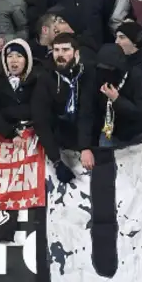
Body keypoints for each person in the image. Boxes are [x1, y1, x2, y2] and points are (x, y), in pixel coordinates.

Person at [33, 33, 94, 183]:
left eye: (65, 50)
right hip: (59, 139)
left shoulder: (87, 73)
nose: (60, 55)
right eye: (56, 50)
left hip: (87, 137)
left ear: (76, 53)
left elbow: (87, 112)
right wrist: (56, 160)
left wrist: (85, 147)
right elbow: (41, 119)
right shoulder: (45, 77)